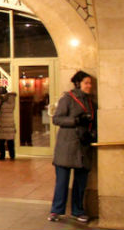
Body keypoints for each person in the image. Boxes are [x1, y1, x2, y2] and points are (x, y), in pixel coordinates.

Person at [48, 71, 97, 223]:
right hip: (67, 146)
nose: (89, 86)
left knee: (80, 183)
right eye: (86, 83)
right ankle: (56, 211)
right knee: (62, 181)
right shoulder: (68, 98)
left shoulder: (91, 102)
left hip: (83, 147)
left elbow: (94, 122)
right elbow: (57, 119)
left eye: (90, 83)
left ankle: (78, 210)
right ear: (78, 84)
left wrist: (93, 133)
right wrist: (76, 120)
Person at [0, 86, 17, 160]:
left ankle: (2, 156)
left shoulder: (0, 99)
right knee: (10, 140)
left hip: (2, 121)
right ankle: (12, 155)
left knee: (2, 141)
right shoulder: (12, 99)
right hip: (10, 121)